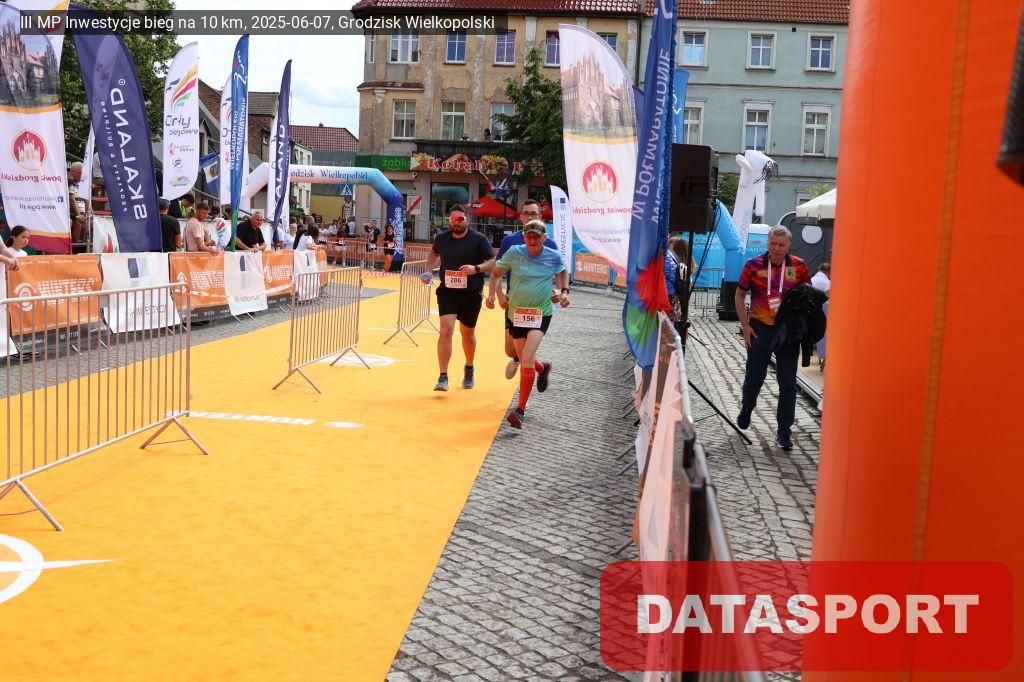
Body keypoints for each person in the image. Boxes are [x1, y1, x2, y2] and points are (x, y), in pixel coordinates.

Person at [734, 226, 811, 451]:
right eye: (773, 244)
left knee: (788, 383)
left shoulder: (799, 266)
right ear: (767, 243)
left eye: (781, 245)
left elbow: (808, 296)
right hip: (761, 329)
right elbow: (739, 295)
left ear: (789, 245)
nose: (776, 249)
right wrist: (745, 326)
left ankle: (784, 431)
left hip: (788, 332)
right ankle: (747, 408)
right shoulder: (753, 265)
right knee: (754, 378)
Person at [487, 220, 570, 428]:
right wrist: (495, 295)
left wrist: (563, 291)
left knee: (526, 357)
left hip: (541, 313)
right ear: (524, 237)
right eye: (529, 236)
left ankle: (520, 410)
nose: (532, 240)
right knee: (524, 356)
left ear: (544, 238)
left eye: (536, 237)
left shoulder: (552, 255)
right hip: (516, 313)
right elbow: (496, 273)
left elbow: (562, 271)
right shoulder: (514, 252)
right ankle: (542, 369)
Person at [421, 204, 496, 391]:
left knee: (467, 334)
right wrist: (428, 271)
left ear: (467, 220)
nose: (456, 222)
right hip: (448, 292)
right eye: (453, 219)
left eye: (460, 219)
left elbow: (493, 262)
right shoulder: (441, 238)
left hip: (471, 293)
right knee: (446, 330)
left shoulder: (478, 239)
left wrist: (476, 269)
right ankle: (443, 376)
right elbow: (433, 253)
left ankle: (469, 367)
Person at [491, 199, 558, 380]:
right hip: (514, 303)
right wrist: (499, 295)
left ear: (540, 217)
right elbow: (497, 270)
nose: (529, 217)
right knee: (510, 349)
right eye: (526, 213)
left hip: (538, 305)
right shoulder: (510, 241)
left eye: (533, 213)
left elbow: (556, 273)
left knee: (527, 350)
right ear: (520, 216)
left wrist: (557, 291)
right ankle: (540, 368)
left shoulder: (550, 244)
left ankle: (524, 392)